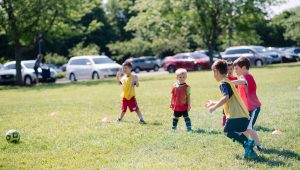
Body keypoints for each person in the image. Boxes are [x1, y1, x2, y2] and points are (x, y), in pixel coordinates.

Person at [205, 60, 256, 158]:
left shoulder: (223, 83)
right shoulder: (228, 81)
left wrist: (214, 108)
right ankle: (251, 151)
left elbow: (226, 97)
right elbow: (228, 98)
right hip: (242, 115)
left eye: (213, 72)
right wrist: (213, 102)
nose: (213, 75)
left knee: (227, 131)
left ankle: (248, 143)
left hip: (236, 115)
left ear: (216, 71)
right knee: (235, 132)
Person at [232, 57, 264, 152]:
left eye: (236, 68)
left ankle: (259, 146)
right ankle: (248, 144)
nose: (235, 70)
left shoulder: (248, 77)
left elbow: (242, 82)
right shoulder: (242, 78)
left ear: (244, 68)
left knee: (249, 128)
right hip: (247, 109)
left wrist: (228, 82)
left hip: (254, 108)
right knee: (245, 128)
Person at [221, 61, 238, 126]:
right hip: (227, 98)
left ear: (233, 69)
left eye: (231, 69)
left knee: (233, 112)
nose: (229, 71)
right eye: (228, 69)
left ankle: (233, 123)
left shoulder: (235, 79)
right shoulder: (225, 78)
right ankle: (224, 124)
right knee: (225, 112)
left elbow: (237, 89)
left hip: (233, 98)